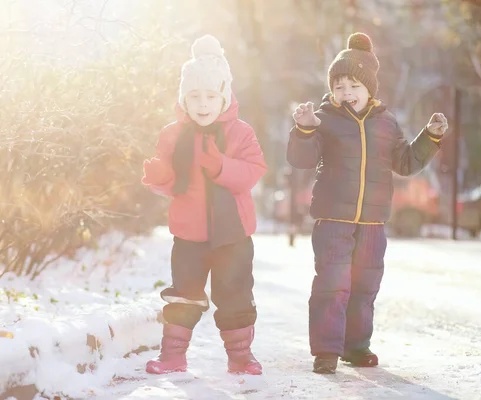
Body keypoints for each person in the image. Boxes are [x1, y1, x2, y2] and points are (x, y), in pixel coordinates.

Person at [286, 32, 448, 374]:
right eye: (340, 86)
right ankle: (327, 350)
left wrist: (430, 138)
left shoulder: (386, 123)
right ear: (332, 90)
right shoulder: (323, 118)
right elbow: (301, 159)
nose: (346, 93)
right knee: (332, 283)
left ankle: (356, 346)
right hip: (333, 220)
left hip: (373, 222)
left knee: (365, 285)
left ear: (369, 89)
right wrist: (303, 129)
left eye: (354, 86)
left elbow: (405, 162)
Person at [141, 34, 267, 375]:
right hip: (189, 234)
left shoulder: (241, 133)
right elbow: (170, 183)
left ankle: (241, 356)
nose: (202, 103)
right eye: (194, 95)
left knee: (235, 293)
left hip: (234, 235)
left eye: (211, 95)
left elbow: (254, 170)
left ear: (224, 96)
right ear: (184, 97)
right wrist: (158, 174)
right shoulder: (174, 134)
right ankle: (173, 356)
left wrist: (221, 166)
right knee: (184, 294)